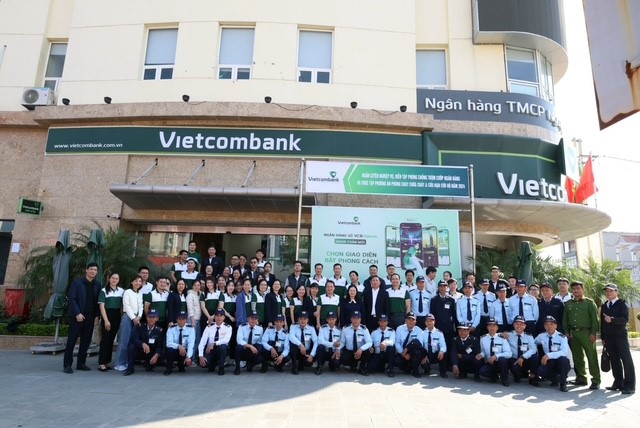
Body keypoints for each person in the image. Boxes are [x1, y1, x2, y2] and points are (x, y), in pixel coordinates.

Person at [63, 263, 102, 374]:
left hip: (90, 316)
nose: (93, 271)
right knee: (71, 341)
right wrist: (77, 313)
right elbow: (72, 299)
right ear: (86, 270)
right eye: (91, 269)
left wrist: (97, 316)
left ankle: (81, 364)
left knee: (86, 341)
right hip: (78, 316)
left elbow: (97, 302)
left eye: (95, 270)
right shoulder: (77, 283)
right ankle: (67, 365)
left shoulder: (97, 285)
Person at [562, 281, 601, 389]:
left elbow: (595, 319)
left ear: (583, 290)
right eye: (574, 289)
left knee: (591, 357)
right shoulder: (568, 303)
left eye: (578, 288)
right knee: (577, 357)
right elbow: (565, 319)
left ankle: (596, 380)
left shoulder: (589, 303)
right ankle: (581, 378)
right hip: (573, 334)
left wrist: (593, 333)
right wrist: (566, 331)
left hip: (587, 333)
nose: (576, 290)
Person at [601, 284, 636, 394]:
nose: (608, 293)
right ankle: (618, 383)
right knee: (614, 360)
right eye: (607, 291)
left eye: (611, 291)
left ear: (617, 292)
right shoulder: (604, 305)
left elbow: (625, 319)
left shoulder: (622, 304)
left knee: (626, 360)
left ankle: (630, 386)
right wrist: (603, 337)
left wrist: (612, 319)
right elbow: (602, 323)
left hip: (620, 337)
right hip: (609, 338)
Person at [113, 275, 144, 372]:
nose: (138, 283)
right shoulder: (127, 292)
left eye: (139, 281)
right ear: (132, 282)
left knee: (132, 341)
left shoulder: (140, 293)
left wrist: (139, 316)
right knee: (124, 340)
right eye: (136, 281)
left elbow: (141, 306)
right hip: (128, 317)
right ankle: (119, 363)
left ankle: (128, 362)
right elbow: (126, 305)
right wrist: (133, 318)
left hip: (137, 318)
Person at [124, 308, 165, 376]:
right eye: (149, 317)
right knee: (131, 346)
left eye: (153, 317)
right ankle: (130, 369)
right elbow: (134, 339)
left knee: (161, 354)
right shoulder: (140, 327)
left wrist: (156, 355)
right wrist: (142, 344)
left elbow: (160, 345)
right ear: (146, 318)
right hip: (141, 350)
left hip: (151, 352)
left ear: (157, 318)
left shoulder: (159, 330)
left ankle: (150, 364)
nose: (151, 319)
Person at [535, 315, 570, 392]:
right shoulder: (541, 336)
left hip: (559, 361)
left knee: (563, 360)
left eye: (551, 324)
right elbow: (533, 343)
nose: (549, 326)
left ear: (556, 326)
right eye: (547, 325)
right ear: (544, 326)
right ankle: (556, 379)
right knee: (540, 371)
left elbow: (564, 352)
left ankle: (563, 384)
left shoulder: (562, 337)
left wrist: (548, 355)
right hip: (549, 362)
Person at [98, 272, 124, 371]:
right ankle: (101, 363)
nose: (114, 280)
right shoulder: (103, 291)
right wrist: (106, 320)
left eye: (116, 278)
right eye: (113, 278)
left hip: (117, 315)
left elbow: (122, 306)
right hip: (107, 314)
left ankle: (107, 361)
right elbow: (101, 306)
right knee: (105, 339)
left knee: (111, 339)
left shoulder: (121, 291)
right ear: (109, 279)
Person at [504, 315, 540, 386]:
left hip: (525, 359)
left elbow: (533, 349)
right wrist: (502, 334)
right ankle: (517, 375)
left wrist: (523, 357)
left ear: (525, 326)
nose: (519, 326)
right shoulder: (508, 334)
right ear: (513, 325)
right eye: (517, 324)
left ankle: (532, 378)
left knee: (535, 358)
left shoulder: (529, 336)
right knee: (515, 369)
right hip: (514, 359)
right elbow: (495, 335)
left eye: (521, 324)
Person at [477, 318, 511, 386]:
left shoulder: (502, 338)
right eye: (490, 325)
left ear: (497, 327)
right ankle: (494, 376)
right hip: (489, 363)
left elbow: (509, 353)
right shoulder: (483, 339)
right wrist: (481, 355)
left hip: (500, 363)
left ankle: (504, 379)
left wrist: (496, 356)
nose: (492, 328)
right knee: (482, 372)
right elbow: (483, 352)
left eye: (494, 326)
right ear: (487, 327)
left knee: (503, 360)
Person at [429, 280, 456, 365]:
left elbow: (454, 314)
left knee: (448, 345)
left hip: (448, 327)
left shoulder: (451, 300)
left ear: (447, 288)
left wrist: (455, 327)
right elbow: (432, 314)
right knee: (439, 345)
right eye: (441, 286)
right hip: (438, 327)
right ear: (438, 288)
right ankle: (441, 364)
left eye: (444, 286)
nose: (442, 288)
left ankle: (449, 364)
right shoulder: (434, 300)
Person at [198, 308, 232, 375]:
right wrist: (201, 356)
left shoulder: (228, 327)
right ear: (214, 317)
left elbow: (226, 340)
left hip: (221, 349)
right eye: (217, 316)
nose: (219, 318)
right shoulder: (209, 327)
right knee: (204, 364)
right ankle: (213, 364)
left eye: (221, 316)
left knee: (222, 347)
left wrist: (214, 343)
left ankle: (221, 368)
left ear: (224, 317)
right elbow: (202, 342)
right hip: (211, 350)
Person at [339, 311, 372, 376]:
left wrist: (361, 349)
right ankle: (353, 365)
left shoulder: (364, 329)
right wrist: (338, 349)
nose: (356, 320)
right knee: (343, 359)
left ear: (360, 319)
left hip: (360, 352)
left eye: (358, 318)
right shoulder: (345, 329)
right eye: (354, 318)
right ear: (351, 319)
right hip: (350, 351)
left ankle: (361, 368)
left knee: (368, 351)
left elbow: (369, 342)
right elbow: (342, 342)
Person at [394, 312, 425, 377]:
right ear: (405, 320)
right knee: (396, 361)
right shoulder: (400, 329)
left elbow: (419, 343)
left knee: (417, 352)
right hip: (402, 353)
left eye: (413, 320)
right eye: (409, 319)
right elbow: (397, 343)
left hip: (413, 353)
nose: (410, 321)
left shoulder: (419, 330)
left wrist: (407, 348)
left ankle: (415, 371)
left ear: (415, 321)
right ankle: (407, 369)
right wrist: (403, 353)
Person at [164, 311, 195, 375]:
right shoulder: (171, 328)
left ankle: (181, 365)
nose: (181, 321)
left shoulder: (191, 329)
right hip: (175, 350)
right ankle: (168, 369)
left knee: (183, 366)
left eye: (183, 319)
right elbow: (168, 343)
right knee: (169, 350)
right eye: (179, 319)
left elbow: (191, 344)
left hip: (184, 352)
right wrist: (179, 346)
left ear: (186, 320)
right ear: (176, 319)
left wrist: (188, 356)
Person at [234, 310, 264, 375]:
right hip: (244, 348)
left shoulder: (260, 328)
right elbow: (239, 340)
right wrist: (249, 346)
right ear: (248, 319)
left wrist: (255, 348)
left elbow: (260, 342)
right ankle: (237, 368)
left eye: (255, 318)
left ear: (257, 320)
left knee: (261, 352)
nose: (253, 320)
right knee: (238, 348)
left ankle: (250, 364)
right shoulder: (242, 327)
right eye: (252, 318)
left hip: (253, 350)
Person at [421, 313, 448, 378]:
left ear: (434, 321)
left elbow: (443, 345)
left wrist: (441, 351)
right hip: (426, 354)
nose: (429, 322)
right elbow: (420, 346)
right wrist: (424, 355)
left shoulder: (439, 333)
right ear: (425, 322)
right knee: (420, 356)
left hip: (436, 354)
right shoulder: (422, 332)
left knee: (444, 353)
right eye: (427, 321)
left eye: (431, 321)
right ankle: (427, 370)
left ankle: (443, 372)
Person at [186, 279, 202, 353]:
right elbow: (190, 308)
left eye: (198, 285)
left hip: (199, 319)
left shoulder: (199, 295)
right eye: (195, 285)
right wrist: (192, 320)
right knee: (193, 339)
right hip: (193, 320)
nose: (197, 287)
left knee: (198, 339)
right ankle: (191, 356)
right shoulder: (190, 295)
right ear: (192, 286)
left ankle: (194, 355)